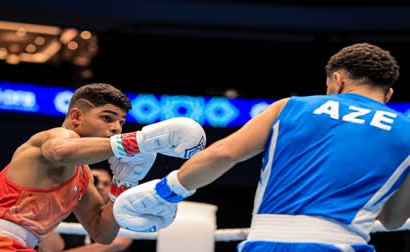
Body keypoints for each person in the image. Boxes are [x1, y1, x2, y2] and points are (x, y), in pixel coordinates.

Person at [113, 43, 410, 252]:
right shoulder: (405, 131)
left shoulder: (292, 108)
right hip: (344, 243)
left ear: (338, 80)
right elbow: (393, 220)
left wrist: (163, 192)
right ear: (389, 93)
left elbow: (223, 153)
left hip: (265, 242)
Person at [0, 83, 206, 251]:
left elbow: (103, 233)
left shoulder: (82, 174)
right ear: (77, 117)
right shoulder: (54, 137)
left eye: (121, 123)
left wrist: (124, 182)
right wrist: (137, 142)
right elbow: (60, 152)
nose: (116, 128)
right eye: (107, 118)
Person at [37, 167, 133, 252]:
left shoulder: (118, 213)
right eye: (95, 181)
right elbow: (50, 249)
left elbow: (120, 242)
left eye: (106, 183)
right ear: (85, 183)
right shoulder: (61, 213)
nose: (100, 187)